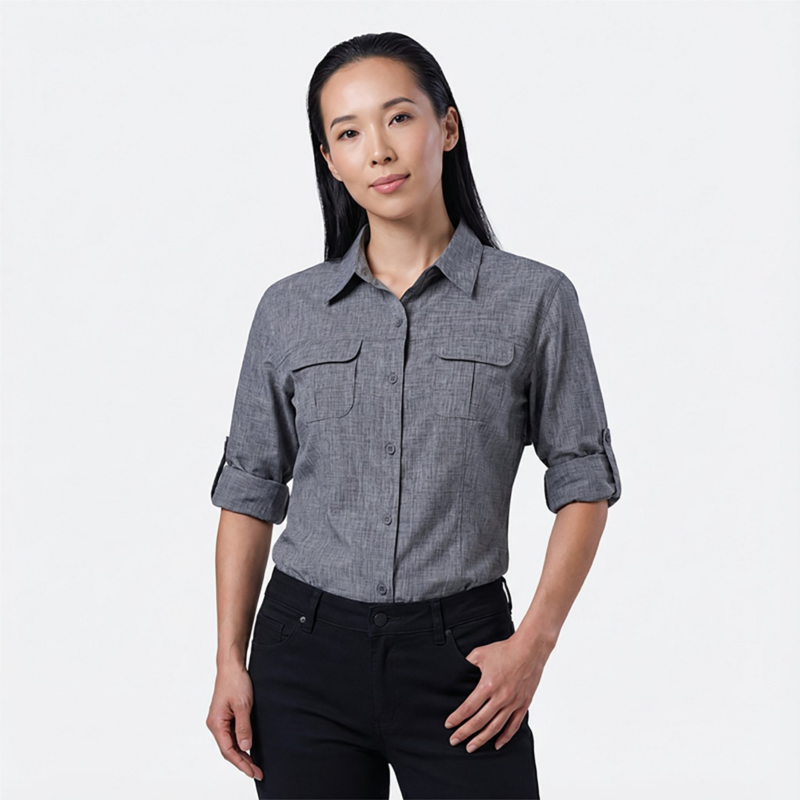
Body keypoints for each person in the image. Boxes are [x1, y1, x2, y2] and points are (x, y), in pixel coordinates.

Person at [205, 31, 621, 800]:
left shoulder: (535, 300)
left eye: (398, 117)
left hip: (464, 661)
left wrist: (533, 645)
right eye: (348, 133)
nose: (378, 150)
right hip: (303, 654)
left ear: (447, 127)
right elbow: (251, 488)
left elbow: (584, 481)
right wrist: (230, 659)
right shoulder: (289, 310)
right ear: (330, 160)